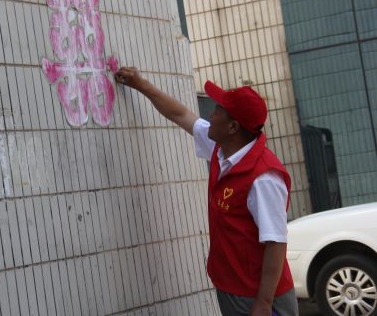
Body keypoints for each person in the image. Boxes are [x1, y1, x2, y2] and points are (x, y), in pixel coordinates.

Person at [114, 67, 298, 316]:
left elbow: (276, 241)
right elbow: (180, 114)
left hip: (260, 297)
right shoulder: (222, 148)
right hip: (232, 287)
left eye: (218, 110)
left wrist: (264, 303)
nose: (211, 115)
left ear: (233, 127)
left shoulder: (263, 178)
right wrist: (140, 84)